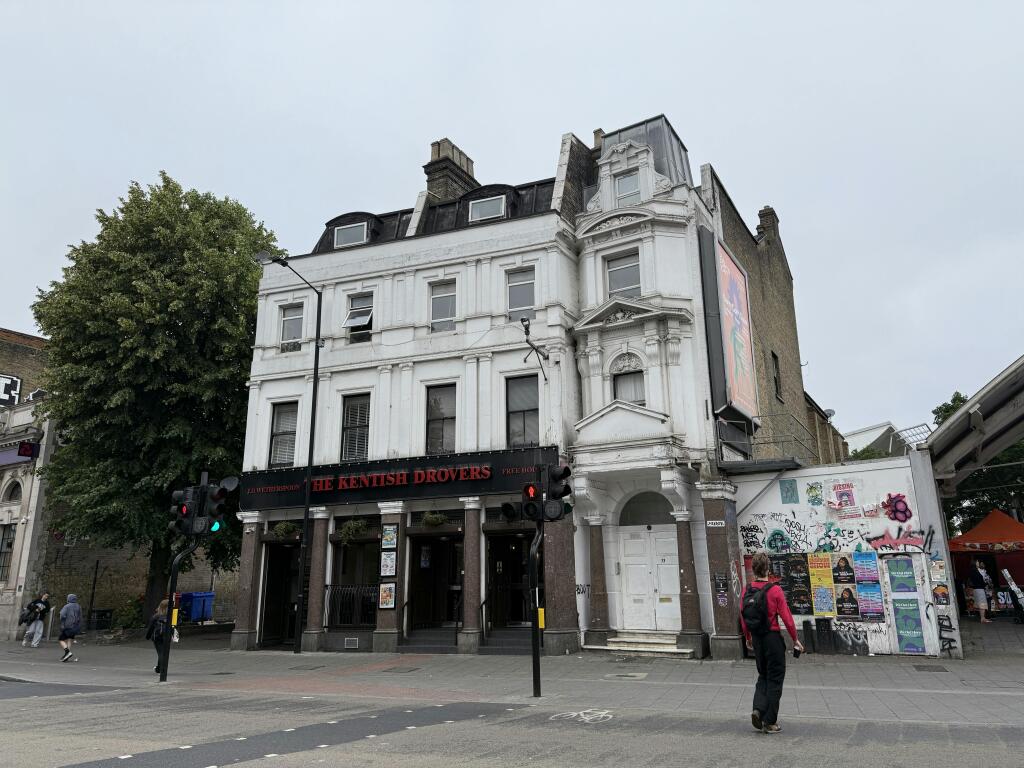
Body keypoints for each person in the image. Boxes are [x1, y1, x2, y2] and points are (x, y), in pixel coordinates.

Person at [741, 553, 803, 734]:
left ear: (754, 570)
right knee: (775, 678)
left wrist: (748, 637)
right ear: (768, 569)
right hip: (772, 639)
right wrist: (795, 639)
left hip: (757, 639)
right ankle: (770, 722)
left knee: (763, 675)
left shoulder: (747, 590)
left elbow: (743, 616)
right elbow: (787, 618)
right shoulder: (775, 590)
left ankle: (758, 709)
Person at [145, 600, 169, 674]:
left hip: (157, 637)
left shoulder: (156, 616)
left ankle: (161, 670)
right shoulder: (171, 616)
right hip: (167, 636)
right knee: (163, 652)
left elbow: (151, 627)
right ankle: (159, 668)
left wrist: (148, 636)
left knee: (161, 652)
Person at [58, 594, 83, 662]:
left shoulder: (67, 606)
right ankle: (67, 655)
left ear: (68, 599)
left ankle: (67, 652)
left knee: (61, 639)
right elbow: (80, 617)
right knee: (69, 639)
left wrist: (62, 622)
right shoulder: (78, 606)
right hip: (75, 626)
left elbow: (62, 615)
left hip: (68, 626)